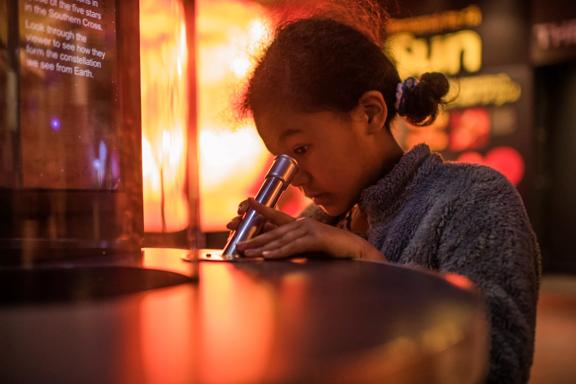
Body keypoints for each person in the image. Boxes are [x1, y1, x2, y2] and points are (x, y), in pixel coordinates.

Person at [226, 7, 540, 384]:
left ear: (371, 114)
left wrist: (367, 262)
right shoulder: (316, 223)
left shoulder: (474, 199)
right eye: (281, 161)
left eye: (301, 150)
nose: (295, 178)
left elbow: (497, 365)